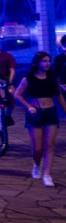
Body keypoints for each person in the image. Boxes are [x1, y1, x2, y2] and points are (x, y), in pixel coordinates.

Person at [14, 51, 65, 187]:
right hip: (35, 114)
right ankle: (37, 164)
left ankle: (47, 174)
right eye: (44, 61)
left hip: (50, 113)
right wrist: (28, 106)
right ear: (37, 63)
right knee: (38, 148)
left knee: (49, 145)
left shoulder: (53, 78)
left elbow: (59, 96)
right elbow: (17, 94)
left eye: (48, 61)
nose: (47, 63)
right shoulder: (28, 78)